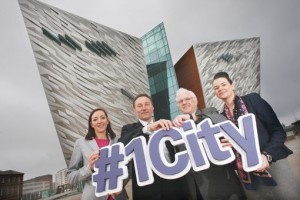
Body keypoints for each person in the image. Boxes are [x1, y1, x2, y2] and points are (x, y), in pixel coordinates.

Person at [212, 71, 300, 200]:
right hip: (247, 172)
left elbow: (278, 131)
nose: (220, 89)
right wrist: (229, 146)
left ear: (233, 85)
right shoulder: (221, 118)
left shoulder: (253, 100)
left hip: (273, 162)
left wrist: (266, 155)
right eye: (216, 88)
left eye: (223, 84)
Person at [173, 88, 247, 200]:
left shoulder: (209, 112)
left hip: (222, 186)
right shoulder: (176, 128)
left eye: (187, 99)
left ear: (195, 100)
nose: (184, 102)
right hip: (195, 190)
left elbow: (222, 123)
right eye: (180, 101)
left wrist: (192, 118)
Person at [118, 93, 186, 200]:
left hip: (173, 184)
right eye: (139, 106)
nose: (144, 108)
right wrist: (148, 128)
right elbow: (122, 144)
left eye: (147, 104)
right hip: (146, 189)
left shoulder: (166, 125)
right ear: (135, 110)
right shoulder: (128, 129)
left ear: (152, 107)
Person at [67, 108, 127, 200]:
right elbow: (70, 177)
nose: (99, 121)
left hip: (118, 196)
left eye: (102, 118)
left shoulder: (118, 141)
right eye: (95, 119)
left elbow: (127, 167)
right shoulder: (81, 143)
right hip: (93, 196)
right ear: (91, 124)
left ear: (107, 120)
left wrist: (120, 183)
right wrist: (89, 168)